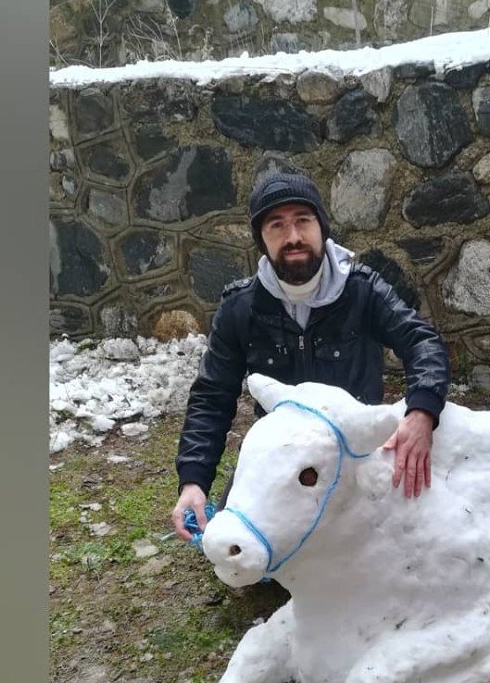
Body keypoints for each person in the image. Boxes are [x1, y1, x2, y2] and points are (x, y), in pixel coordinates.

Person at [171, 172, 451, 541]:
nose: (293, 237)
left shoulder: (363, 289)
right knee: (246, 558)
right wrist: (193, 481)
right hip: (282, 458)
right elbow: (212, 396)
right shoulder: (240, 307)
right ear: (261, 239)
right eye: (277, 225)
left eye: (303, 221)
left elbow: (422, 342)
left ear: (321, 227)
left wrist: (422, 412)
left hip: (351, 456)